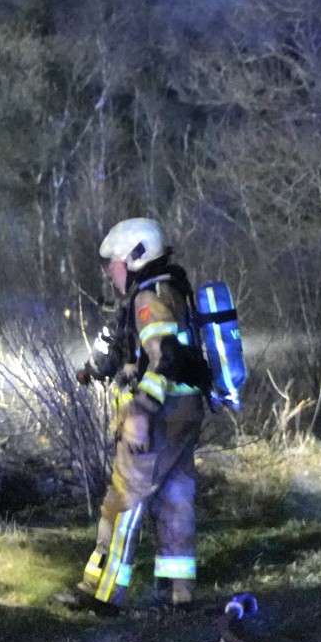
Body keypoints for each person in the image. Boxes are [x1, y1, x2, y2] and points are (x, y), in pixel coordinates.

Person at [57, 218, 210, 616]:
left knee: (123, 501)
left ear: (136, 258)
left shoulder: (147, 300)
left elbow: (165, 358)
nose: (111, 270)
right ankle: (179, 593)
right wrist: (96, 369)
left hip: (159, 416)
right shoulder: (171, 290)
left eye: (116, 262)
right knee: (175, 499)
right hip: (186, 412)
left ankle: (102, 593)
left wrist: (140, 412)